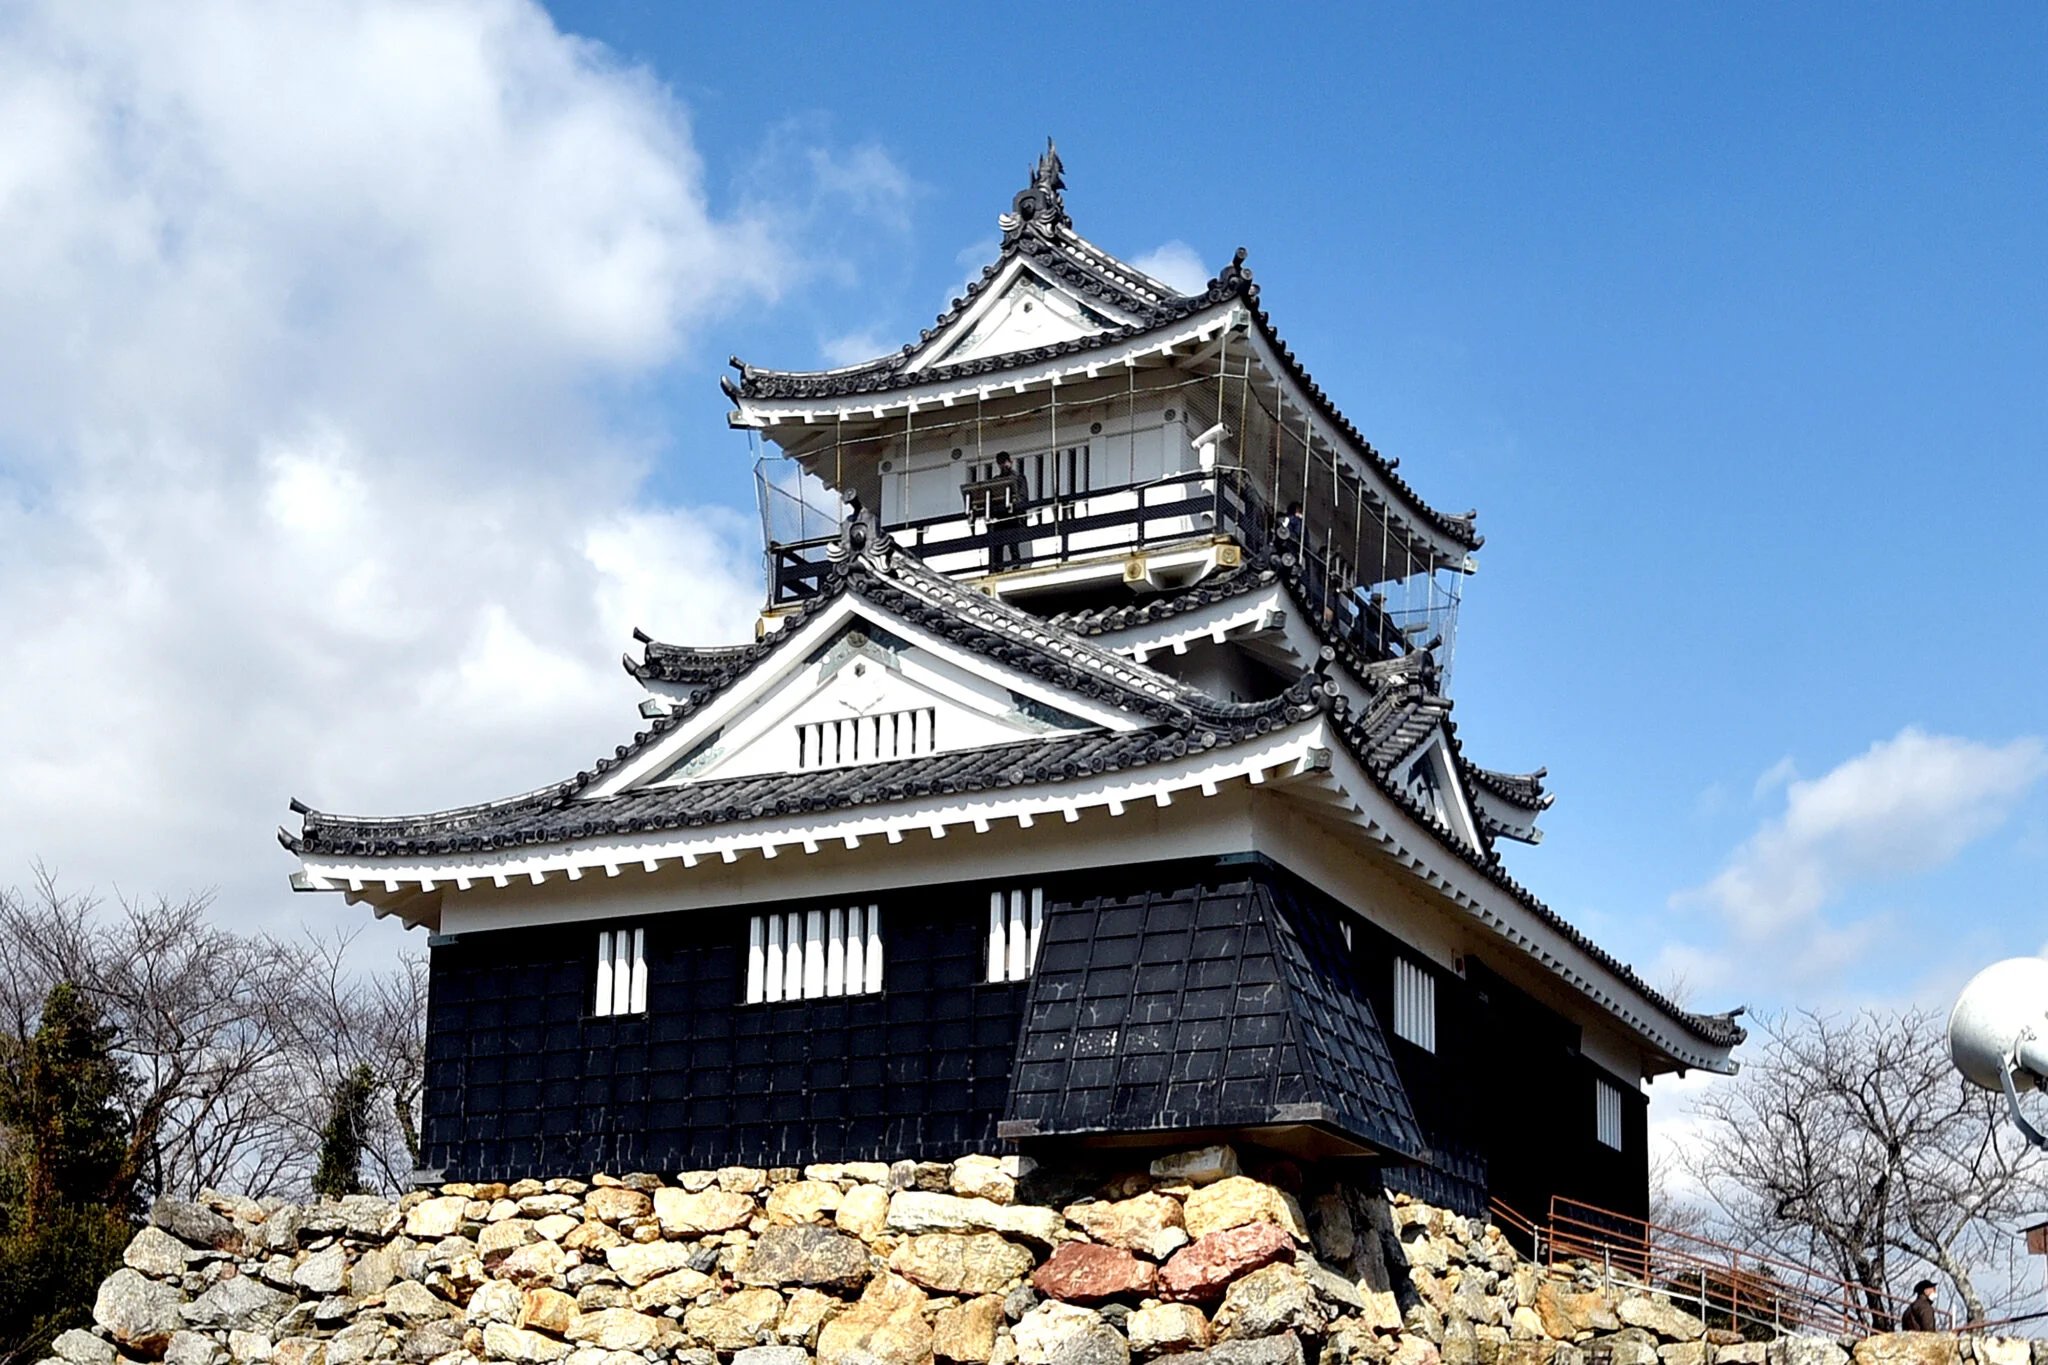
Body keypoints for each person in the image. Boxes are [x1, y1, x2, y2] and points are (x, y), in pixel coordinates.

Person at [990, 451, 1030, 569]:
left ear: (1011, 462)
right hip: (1000, 515)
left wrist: (1016, 505)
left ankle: (1016, 563)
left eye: (1005, 462)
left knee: (1013, 542)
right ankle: (998, 566)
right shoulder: (996, 480)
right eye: (1001, 463)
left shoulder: (1018, 478)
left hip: (1014, 515)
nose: (1004, 465)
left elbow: (1024, 497)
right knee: (997, 543)